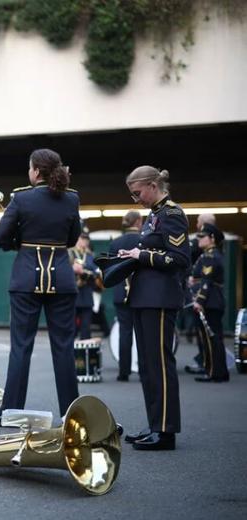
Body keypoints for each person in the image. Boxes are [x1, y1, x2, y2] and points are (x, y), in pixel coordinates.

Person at [0, 148, 80, 427]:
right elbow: (72, 239)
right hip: (61, 279)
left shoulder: (22, 198)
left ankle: (10, 411)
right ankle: (72, 411)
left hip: (26, 278)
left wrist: (20, 242)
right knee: (64, 348)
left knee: (21, 347)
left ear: (36, 171)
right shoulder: (71, 198)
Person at [119, 166, 190, 451]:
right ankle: (154, 425)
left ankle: (165, 431)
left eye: (138, 193)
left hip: (159, 299)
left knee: (159, 365)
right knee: (148, 366)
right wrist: (133, 256)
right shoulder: (154, 216)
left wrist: (142, 254)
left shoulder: (171, 214)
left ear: (152, 185)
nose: (136, 199)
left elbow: (180, 258)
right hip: (144, 297)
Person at [191, 223, 229, 383]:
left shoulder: (210, 256)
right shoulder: (209, 254)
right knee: (213, 338)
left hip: (209, 302)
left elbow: (207, 281)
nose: (199, 239)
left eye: (202, 237)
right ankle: (217, 371)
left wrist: (199, 301)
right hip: (213, 301)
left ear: (212, 239)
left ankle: (214, 372)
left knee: (211, 339)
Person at [108, 210, 142, 381]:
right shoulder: (144, 240)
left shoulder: (116, 242)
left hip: (121, 291)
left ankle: (124, 371)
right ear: (138, 221)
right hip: (141, 293)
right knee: (142, 333)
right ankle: (144, 371)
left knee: (125, 332)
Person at [184, 212, 217, 373]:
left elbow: (207, 279)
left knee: (206, 335)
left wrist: (200, 300)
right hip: (203, 295)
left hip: (205, 297)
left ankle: (209, 364)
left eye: (198, 222)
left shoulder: (207, 250)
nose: (196, 225)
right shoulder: (208, 249)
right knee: (203, 334)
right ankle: (207, 362)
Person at [71, 227, 99, 340]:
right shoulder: (70, 253)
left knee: (86, 328)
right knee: (71, 328)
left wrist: (83, 270)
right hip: (73, 294)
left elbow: (96, 272)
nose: (85, 241)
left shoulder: (90, 256)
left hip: (86, 294)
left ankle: (85, 356)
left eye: (86, 239)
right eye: (82, 238)